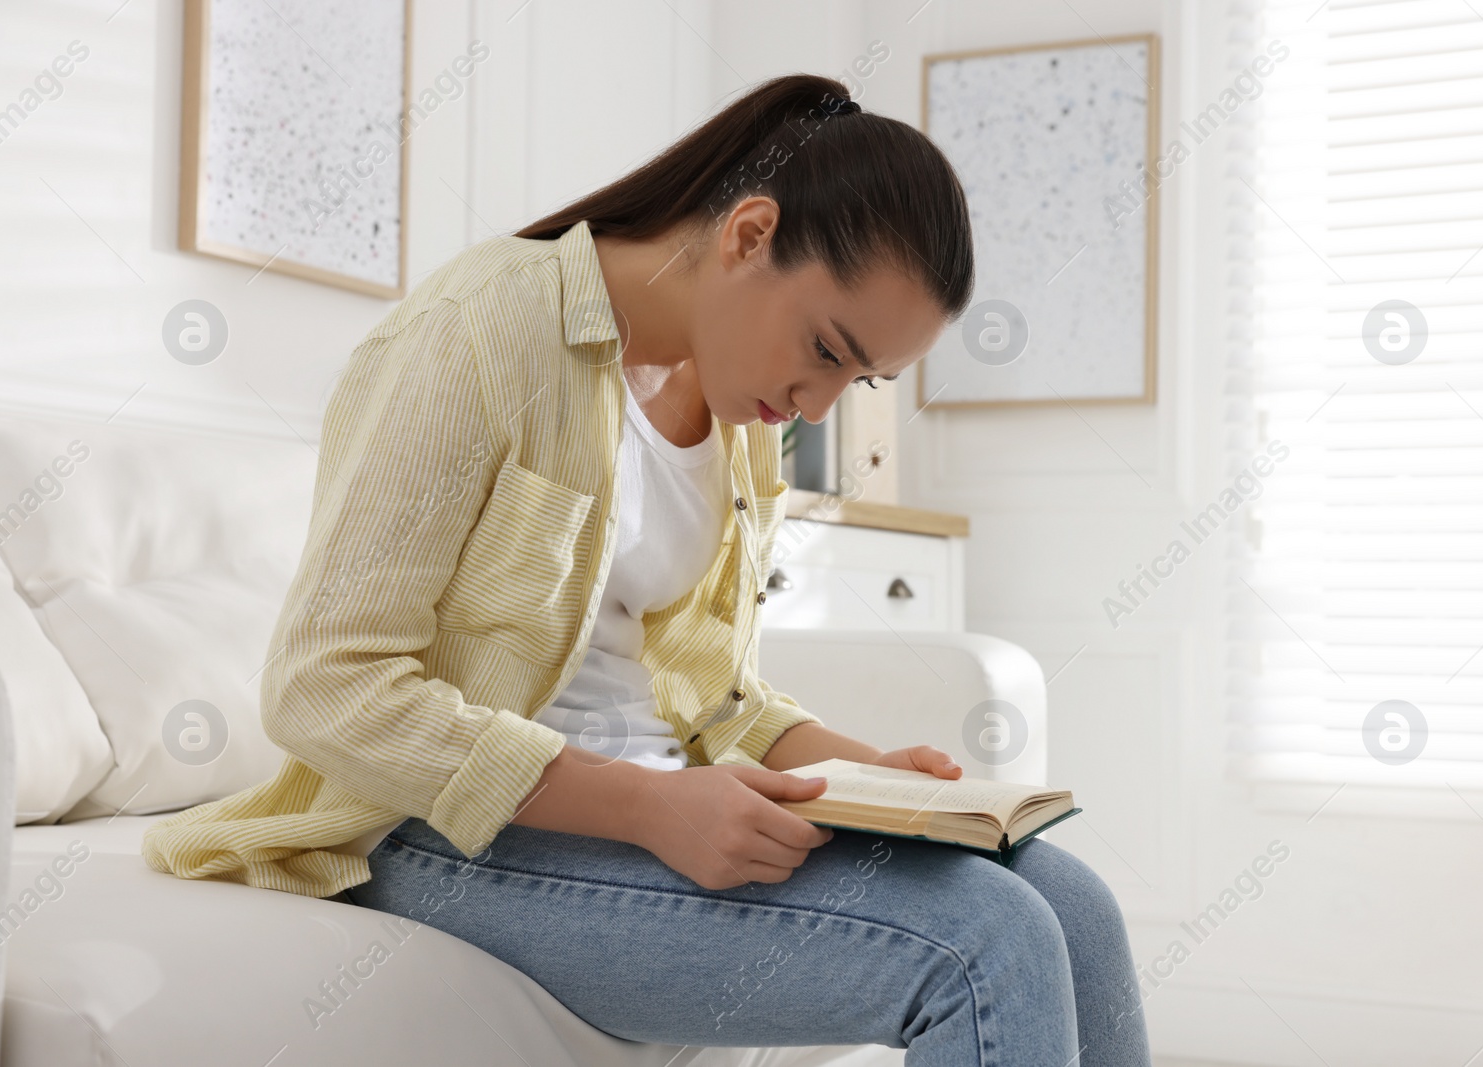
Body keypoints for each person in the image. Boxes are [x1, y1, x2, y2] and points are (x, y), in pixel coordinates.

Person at [142, 73, 1151, 1066]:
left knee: (1077, 908)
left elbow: (713, 699)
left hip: (653, 811)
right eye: (826, 351)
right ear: (748, 234)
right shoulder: (478, 331)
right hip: (441, 833)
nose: (819, 407)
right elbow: (324, 684)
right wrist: (647, 807)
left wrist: (863, 774)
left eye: (861, 377)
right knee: (988, 945)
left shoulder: (738, 410)